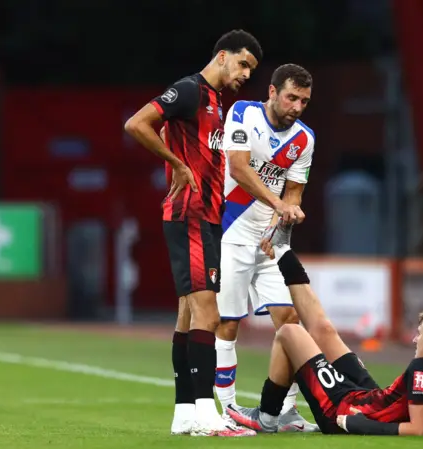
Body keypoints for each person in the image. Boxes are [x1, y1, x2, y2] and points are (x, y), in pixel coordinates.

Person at [124, 29, 263, 437]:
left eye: (251, 70)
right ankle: (207, 415)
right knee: (209, 312)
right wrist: (177, 165)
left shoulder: (218, 103)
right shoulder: (189, 90)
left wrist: (181, 157)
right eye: (242, 64)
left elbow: (181, 137)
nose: (245, 75)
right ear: (222, 56)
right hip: (191, 213)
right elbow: (137, 124)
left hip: (206, 215)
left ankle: (185, 411)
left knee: (188, 313)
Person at [226, 221, 423, 436]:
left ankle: (267, 417)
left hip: (343, 411)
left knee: (289, 332)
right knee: (323, 330)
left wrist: (359, 424)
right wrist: (408, 422)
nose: (415, 340)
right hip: (370, 398)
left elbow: (417, 429)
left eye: (420, 333)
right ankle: (282, 249)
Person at [214, 63, 318, 432]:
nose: (298, 106)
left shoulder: (305, 139)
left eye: (304, 100)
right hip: (232, 234)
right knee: (228, 322)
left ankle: (284, 410)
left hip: (269, 243)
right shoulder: (243, 112)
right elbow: (239, 168)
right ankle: (226, 411)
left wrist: (281, 223)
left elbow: (292, 194)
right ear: (273, 92)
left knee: (290, 323)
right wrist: (279, 207)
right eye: (292, 97)